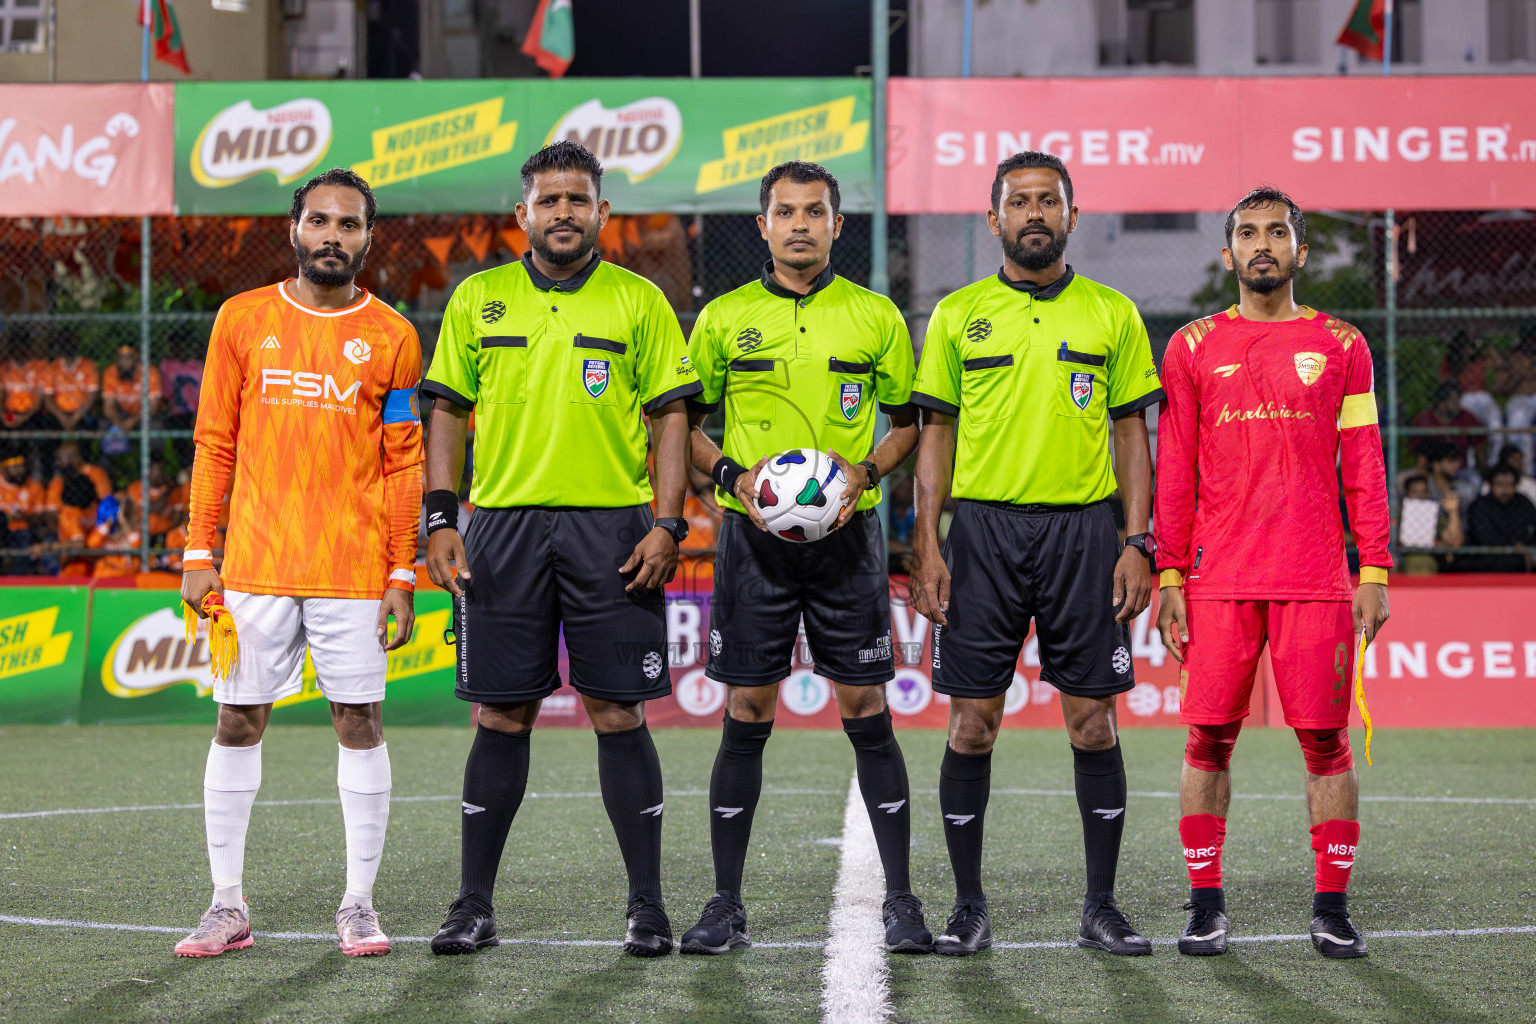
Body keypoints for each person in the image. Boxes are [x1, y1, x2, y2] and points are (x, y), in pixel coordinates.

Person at [419, 141, 700, 958]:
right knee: (501, 713)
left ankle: (646, 906)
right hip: (501, 528)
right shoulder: (478, 298)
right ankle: (473, 904)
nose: (564, 213)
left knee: (619, 709)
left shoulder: (640, 301)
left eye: (579, 200)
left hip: (612, 528)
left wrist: (668, 522)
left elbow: (671, 417)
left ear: (602, 213)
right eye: (550, 201)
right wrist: (442, 519)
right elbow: (446, 413)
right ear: (524, 215)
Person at [908, 151, 1163, 957]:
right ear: (994, 220)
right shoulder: (955, 315)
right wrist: (927, 544)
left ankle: (1101, 906)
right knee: (973, 724)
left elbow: (1132, 433)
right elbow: (934, 437)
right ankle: (969, 907)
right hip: (981, 536)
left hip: (1085, 534)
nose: (1034, 213)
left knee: (1092, 722)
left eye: (1048, 201)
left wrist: (1136, 542)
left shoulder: (1113, 313)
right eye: (1018, 202)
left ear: (1072, 217)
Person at [678, 161, 928, 955]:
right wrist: (730, 476)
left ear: (835, 225)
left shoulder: (876, 317)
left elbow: (910, 421)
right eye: (783, 212)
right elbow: (682, 424)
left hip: (847, 541)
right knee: (747, 711)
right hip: (753, 541)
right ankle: (724, 903)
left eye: (813, 212)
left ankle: (901, 900)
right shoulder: (722, 318)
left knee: (866, 711)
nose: (798, 225)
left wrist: (866, 473)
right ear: (762, 225)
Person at [174, 168, 423, 960]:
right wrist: (197, 550)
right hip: (253, 566)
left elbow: (403, 463)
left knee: (359, 721)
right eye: (319, 221)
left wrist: (402, 573)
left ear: (368, 239)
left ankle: (358, 903)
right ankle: (225, 906)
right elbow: (214, 442)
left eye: (349, 225)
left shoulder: (393, 336)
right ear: (294, 229)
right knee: (237, 720)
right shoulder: (242, 320)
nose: (332, 236)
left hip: (353, 573)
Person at [1155, 187, 1392, 960]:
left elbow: (1363, 461)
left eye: (1278, 232)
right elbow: (1176, 468)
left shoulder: (1344, 344)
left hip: (1317, 577)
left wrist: (1377, 565)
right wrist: (1169, 577)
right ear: (1227, 254)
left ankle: (1331, 907)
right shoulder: (1192, 347)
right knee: (1207, 740)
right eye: (1248, 234)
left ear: (1300, 250)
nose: (1264, 244)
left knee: (1327, 744)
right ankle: (1204, 905)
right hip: (1218, 579)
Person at [1464, 464, 1536, 572]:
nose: (1505, 490)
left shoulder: (1523, 503)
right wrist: (1514, 544)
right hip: (1486, 557)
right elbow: (1484, 537)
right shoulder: (1480, 506)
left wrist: (1525, 546)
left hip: (1520, 557)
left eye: (1509, 485)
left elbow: (1532, 528)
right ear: (1491, 485)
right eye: (1500, 485)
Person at [101, 343, 163, 433]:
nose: (123, 362)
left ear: (135, 359)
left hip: (143, 414)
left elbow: (153, 406)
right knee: (104, 424)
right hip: (121, 413)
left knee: (154, 426)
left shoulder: (150, 372)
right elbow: (108, 405)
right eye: (120, 358)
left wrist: (131, 422)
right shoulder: (110, 372)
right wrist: (117, 423)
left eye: (128, 358)